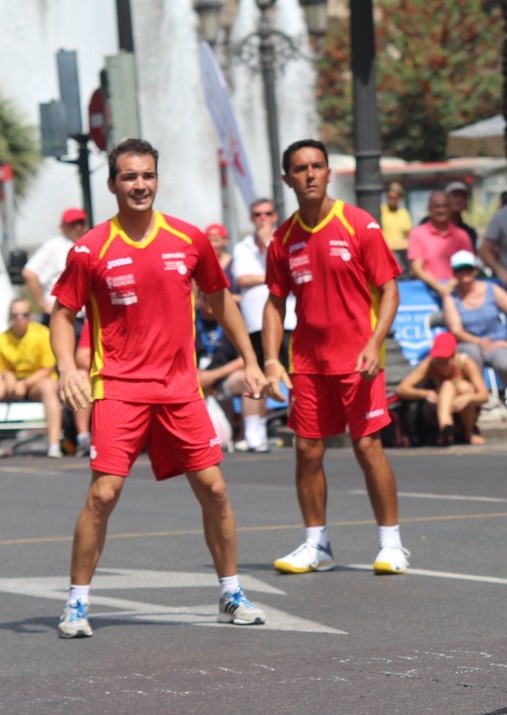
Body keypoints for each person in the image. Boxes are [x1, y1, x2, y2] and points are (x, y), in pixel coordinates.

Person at [48, 138, 268, 639]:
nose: (139, 185)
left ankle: (230, 594)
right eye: (129, 177)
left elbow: (222, 299)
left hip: (180, 388)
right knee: (103, 494)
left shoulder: (189, 239)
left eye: (147, 175)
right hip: (119, 387)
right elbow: (63, 314)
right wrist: (67, 368)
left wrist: (252, 360)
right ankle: (77, 604)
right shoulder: (91, 249)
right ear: (112, 184)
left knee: (214, 489)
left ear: (157, 179)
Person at [263, 138, 407, 576]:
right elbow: (274, 302)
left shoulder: (359, 225)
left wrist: (373, 344)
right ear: (287, 179)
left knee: (367, 446)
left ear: (328, 173)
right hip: (307, 363)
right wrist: (270, 359)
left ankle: (391, 544)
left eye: (317, 166)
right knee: (307, 451)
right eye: (301, 169)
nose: (310, 174)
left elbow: (389, 290)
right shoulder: (283, 238)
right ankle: (316, 544)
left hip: (358, 362)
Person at [230, 197, 294, 452]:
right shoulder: (243, 246)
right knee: (257, 376)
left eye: (267, 213)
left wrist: (270, 245)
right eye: (257, 215)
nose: (262, 219)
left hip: (286, 320)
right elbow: (242, 278)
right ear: (251, 218)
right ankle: (255, 431)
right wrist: (271, 276)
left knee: (292, 374)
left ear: (274, 216)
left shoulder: (282, 241)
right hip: (255, 323)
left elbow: (287, 271)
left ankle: (299, 426)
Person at [442, 249, 507, 394]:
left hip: (496, 341)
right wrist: (478, 342)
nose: (464, 274)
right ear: (454, 273)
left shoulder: (491, 289)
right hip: (468, 343)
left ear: (475, 270)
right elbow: (456, 330)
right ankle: (481, 403)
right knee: (471, 356)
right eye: (459, 270)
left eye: (467, 269)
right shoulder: (450, 298)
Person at [395, 331, 488, 445]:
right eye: (438, 360)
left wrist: (468, 398)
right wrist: (425, 394)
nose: (441, 365)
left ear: (454, 356)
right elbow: (402, 389)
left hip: (463, 408)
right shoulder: (430, 363)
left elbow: (484, 394)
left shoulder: (465, 363)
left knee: (465, 387)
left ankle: (468, 432)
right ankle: (445, 426)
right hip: (435, 408)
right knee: (448, 385)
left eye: (445, 361)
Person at [0, 299, 64, 457]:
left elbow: (48, 368)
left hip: (37, 382)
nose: (19, 318)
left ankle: (54, 443)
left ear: (30, 316)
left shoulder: (42, 333)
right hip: (14, 382)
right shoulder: (3, 338)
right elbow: (3, 369)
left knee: (49, 388)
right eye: (15, 315)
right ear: (9, 317)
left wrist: (25, 383)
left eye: (24, 314)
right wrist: (9, 379)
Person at [22, 208, 88, 320]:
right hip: (59, 314)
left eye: (80, 223)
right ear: (62, 227)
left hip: (84, 316)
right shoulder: (54, 246)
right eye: (73, 224)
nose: (78, 228)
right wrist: (43, 304)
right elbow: (29, 273)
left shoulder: (89, 244)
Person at [408, 190, 474, 299]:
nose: (440, 210)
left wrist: (449, 286)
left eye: (444, 206)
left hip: (458, 294)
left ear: (450, 209)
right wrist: (438, 287)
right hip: (426, 295)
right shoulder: (417, 233)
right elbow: (417, 267)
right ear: (429, 209)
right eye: (436, 206)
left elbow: (469, 266)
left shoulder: (462, 235)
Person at [381, 181, 414, 269]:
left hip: (401, 253)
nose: (390, 200)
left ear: (399, 199)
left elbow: (409, 234)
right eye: (389, 197)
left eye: (393, 198)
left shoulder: (404, 213)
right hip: (385, 252)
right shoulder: (381, 210)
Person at [444, 180, 477, 247]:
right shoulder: (428, 223)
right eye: (455, 196)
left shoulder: (469, 232)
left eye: (463, 197)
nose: (459, 200)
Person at [206, 223, 233, 289]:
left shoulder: (235, 264)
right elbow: (197, 296)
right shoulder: (202, 265)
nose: (212, 244)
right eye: (209, 241)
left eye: (216, 240)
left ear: (225, 241)